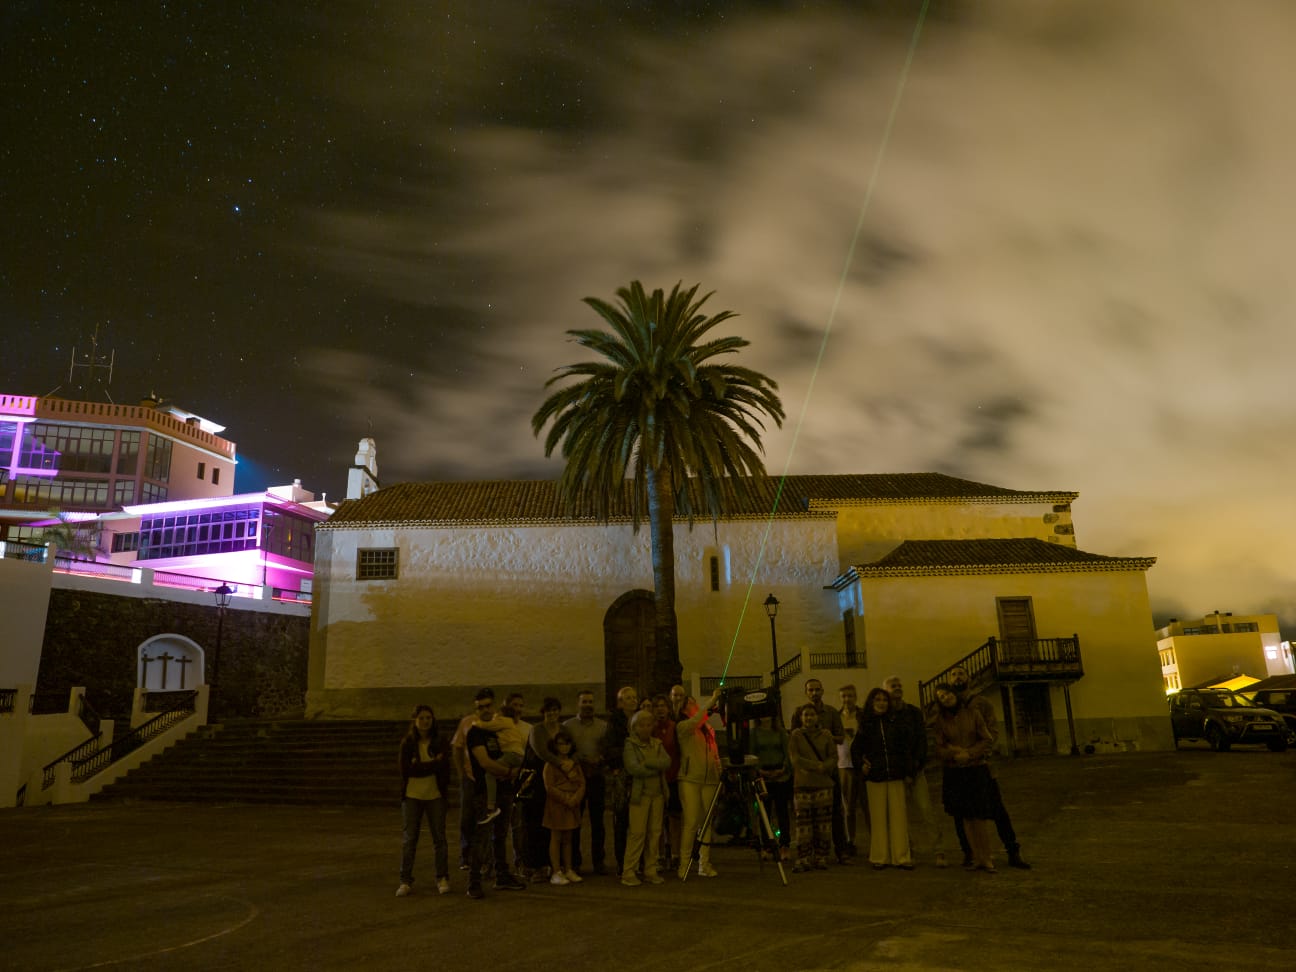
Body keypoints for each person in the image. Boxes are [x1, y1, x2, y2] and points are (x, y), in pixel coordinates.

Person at [948, 666, 1031, 869]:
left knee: (997, 810)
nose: (958, 677)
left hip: (981, 766)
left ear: (969, 677)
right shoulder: (948, 707)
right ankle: (969, 852)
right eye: (953, 674)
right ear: (949, 682)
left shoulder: (982, 703)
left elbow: (992, 733)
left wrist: (972, 754)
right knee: (962, 814)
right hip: (958, 770)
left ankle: (1013, 850)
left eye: (961, 673)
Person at [463, 688, 528, 898]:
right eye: (479, 707)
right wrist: (510, 771)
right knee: (481, 837)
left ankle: (502, 875)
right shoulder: (476, 732)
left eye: (487, 706)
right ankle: (473, 881)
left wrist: (514, 770)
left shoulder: (499, 728)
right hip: (485, 793)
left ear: (494, 706)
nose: (484, 710)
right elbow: (485, 763)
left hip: (505, 791)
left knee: (500, 836)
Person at [931, 682, 997, 872]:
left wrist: (970, 753)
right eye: (941, 696)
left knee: (979, 816)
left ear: (954, 694)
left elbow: (986, 739)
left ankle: (987, 857)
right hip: (955, 772)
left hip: (975, 769)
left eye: (947, 694)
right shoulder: (940, 722)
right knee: (966, 817)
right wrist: (953, 754)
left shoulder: (973, 713)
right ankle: (976, 858)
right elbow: (939, 747)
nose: (946, 697)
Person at [883, 675, 946, 867]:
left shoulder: (914, 713)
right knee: (902, 815)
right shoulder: (884, 716)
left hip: (916, 772)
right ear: (885, 690)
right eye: (893, 686)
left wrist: (915, 769)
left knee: (926, 811)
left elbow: (921, 742)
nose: (898, 688)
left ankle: (939, 849)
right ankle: (907, 848)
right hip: (895, 774)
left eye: (899, 685)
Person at [851, 687, 915, 870]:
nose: (881, 703)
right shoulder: (866, 725)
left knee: (899, 818)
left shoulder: (896, 723)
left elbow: (905, 748)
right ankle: (879, 857)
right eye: (877, 700)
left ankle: (901, 856)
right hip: (875, 776)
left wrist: (908, 771)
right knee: (878, 819)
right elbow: (855, 749)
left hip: (895, 774)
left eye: (884, 700)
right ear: (872, 703)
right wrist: (861, 766)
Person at [790, 678, 850, 863]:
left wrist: (828, 737)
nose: (814, 693)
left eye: (817, 689)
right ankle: (807, 854)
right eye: (811, 690)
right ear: (806, 692)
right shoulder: (798, 713)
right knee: (806, 818)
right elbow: (795, 740)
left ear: (822, 691)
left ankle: (840, 851)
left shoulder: (831, 713)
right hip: (807, 776)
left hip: (827, 773)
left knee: (835, 812)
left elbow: (840, 738)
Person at [396, 704, 451, 897]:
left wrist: (419, 766)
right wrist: (433, 764)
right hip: (412, 796)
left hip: (435, 795)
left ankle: (442, 877)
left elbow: (444, 767)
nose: (425, 721)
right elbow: (406, 770)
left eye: (428, 717)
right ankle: (405, 880)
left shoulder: (441, 741)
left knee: (440, 838)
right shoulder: (408, 743)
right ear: (415, 721)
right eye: (421, 718)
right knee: (409, 839)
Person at [676, 690, 723, 879]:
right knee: (691, 821)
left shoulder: (708, 729)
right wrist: (712, 700)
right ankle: (684, 864)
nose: (694, 705)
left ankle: (704, 863)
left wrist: (718, 771)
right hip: (690, 779)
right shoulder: (683, 727)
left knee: (706, 823)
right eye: (690, 703)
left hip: (709, 779)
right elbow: (697, 719)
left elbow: (714, 752)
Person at [621, 709, 670, 886]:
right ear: (635, 727)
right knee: (637, 834)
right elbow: (634, 768)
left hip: (657, 796)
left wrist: (648, 763)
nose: (646, 728)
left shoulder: (657, 743)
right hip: (640, 796)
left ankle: (650, 869)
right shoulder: (630, 744)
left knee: (655, 834)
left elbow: (667, 762)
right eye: (642, 725)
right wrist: (655, 766)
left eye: (649, 724)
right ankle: (629, 871)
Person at [564, 690, 608, 875]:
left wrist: (600, 758)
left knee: (598, 823)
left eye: (590, 701)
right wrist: (581, 759)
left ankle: (599, 862)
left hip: (597, 777)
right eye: (584, 702)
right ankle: (574, 861)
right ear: (578, 704)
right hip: (576, 778)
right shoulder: (568, 726)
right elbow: (564, 749)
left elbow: (607, 748)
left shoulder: (603, 726)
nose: (588, 705)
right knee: (575, 821)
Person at [520, 697, 565, 882]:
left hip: (557, 780)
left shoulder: (563, 729)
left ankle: (552, 863)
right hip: (537, 781)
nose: (552, 713)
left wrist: (572, 761)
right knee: (535, 824)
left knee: (554, 824)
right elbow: (541, 752)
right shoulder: (536, 730)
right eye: (548, 710)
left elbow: (572, 747)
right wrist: (562, 763)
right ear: (543, 712)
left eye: (555, 709)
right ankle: (535, 865)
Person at [789, 704, 836, 872]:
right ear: (801, 718)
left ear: (817, 717)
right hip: (802, 785)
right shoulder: (796, 735)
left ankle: (822, 856)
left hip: (823, 785)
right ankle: (804, 857)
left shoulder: (826, 735)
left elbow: (833, 757)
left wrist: (825, 766)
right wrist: (818, 766)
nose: (809, 718)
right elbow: (795, 759)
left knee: (823, 824)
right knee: (803, 825)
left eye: (812, 715)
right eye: (806, 715)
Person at [602, 686, 639, 875]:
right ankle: (621, 862)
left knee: (638, 822)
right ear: (621, 702)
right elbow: (609, 750)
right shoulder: (614, 723)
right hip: (622, 777)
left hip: (639, 776)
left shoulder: (641, 719)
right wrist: (629, 751)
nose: (633, 701)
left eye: (634, 697)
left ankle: (636, 861)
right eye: (628, 698)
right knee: (622, 821)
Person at [542, 729, 586, 886]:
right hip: (557, 804)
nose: (564, 747)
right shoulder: (551, 764)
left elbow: (582, 783)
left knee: (569, 837)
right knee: (556, 837)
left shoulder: (574, 764)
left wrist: (576, 798)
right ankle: (556, 871)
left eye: (567, 743)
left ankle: (568, 868)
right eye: (561, 744)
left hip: (572, 804)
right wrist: (566, 798)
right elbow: (550, 787)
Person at [473, 697, 526, 824]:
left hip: (511, 754)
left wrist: (475, 723)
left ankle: (491, 807)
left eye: (497, 713)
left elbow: (487, 726)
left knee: (490, 774)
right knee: (505, 776)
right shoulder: (511, 724)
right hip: (518, 755)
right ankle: (512, 802)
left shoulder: (504, 721)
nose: (495, 715)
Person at [749, 711, 792, 862]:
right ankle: (767, 845)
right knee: (764, 813)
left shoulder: (780, 732)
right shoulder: (754, 733)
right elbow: (752, 753)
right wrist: (759, 771)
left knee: (782, 812)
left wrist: (784, 769)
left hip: (780, 774)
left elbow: (787, 752)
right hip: (762, 775)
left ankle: (784, 845)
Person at [650, 693, 683, 871]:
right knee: (658, 820)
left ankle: (676, 854)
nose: (660, 709)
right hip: (656, 779)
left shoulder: (674, 728)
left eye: (663, 705)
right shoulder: (651, 729)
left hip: (673, 777)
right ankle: (660, 855)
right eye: (657, 706)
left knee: (674, 818)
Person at [837, 684, 863, 857]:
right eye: (844, 696)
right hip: (844, 766)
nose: (847, 699)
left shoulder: (863, 716)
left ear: (856, 697)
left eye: (850, 696)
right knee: (848, 808)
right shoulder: (836, 717)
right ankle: (850, 840)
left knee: (869, 807)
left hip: (862, 767)